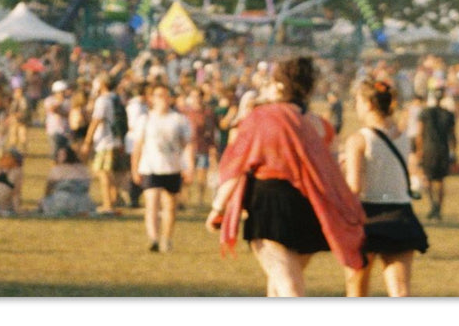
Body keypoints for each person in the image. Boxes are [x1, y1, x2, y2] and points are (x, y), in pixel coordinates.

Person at [206, 56, 366, 297]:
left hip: (270, 204)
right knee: (279, 284)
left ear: (280, 86)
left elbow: (237, 162)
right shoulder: (321, 125)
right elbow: (331, 168)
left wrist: (218, 208)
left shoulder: (264, 118)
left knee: (288, 285)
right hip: (310, 206)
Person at [342, 76, 429, 297]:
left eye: (358, 101)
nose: (356, 107)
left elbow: (354, 187)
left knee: (357, 287)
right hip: (400, 213)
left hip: (368, 215)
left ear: (369, 104)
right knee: (400, 290)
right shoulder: (402, 136)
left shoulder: (358, 139)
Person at [130, 83, 192, 253]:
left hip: (172, 167)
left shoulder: (179, 119)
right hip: (150, 167)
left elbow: (187, 145)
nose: (163, 99)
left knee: (170, 207)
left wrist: (189, 167)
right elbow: (138, 146)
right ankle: (154, 238)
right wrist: (134, 168)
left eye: (165, 95)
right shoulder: (145, 119)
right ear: (151, 99)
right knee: (152, 204)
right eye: (158, 95)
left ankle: (167, 238)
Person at [81, 73, 124, 213]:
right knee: (109, 172)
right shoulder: (116, 98)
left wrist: (87, 141)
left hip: (105, 141)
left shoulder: (103, 100)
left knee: (102, 172)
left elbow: (96, 120)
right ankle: (112, 200)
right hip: (115, 140)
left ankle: (108, 205)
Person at [416, 82, 456, 221]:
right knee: (440, 181)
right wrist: (454, 153)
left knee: (428, 179)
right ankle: (438, 208)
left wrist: (418, 151)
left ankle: (432, 204)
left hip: (428, 149)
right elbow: (453, 136)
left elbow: (420, 134)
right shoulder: (449, 114)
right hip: (443, 149)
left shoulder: (425, 112)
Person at [39, 144, 96, 216]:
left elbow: (48, 188)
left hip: (63, 200)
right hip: (84, 201)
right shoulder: (83, 168)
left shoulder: (57, 169)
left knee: (44, 202)